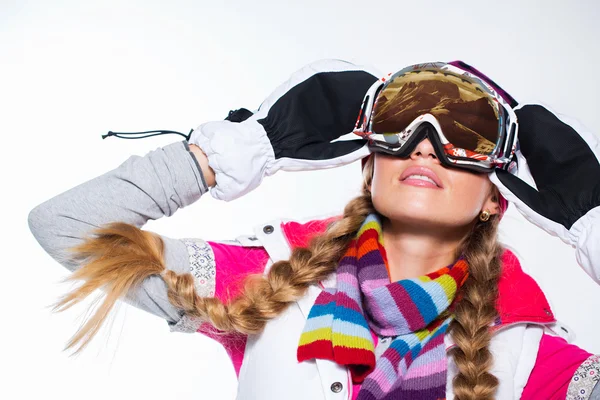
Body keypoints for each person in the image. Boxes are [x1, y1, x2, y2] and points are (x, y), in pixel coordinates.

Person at [28, 59, 600, 400]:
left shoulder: (535, 359)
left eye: (465, 136)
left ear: (495, 201)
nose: (424, 144)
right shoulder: (270, 279)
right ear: (369, 167)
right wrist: (231, 151)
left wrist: (594, 227)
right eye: (401, 122)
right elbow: (66, 226)